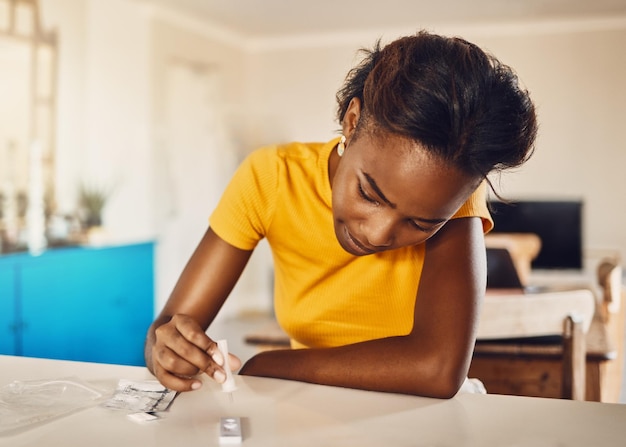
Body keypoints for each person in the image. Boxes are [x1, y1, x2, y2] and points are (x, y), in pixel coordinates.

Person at [145, 30, 537, 398]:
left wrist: (267, 364)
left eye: (422, 223)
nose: (380, 234)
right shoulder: (272, 177)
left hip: (418, 413)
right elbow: (167, 330)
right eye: (369, 193)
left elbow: (436, 369)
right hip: (307, 404)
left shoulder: (455, 195)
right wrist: (169, 349)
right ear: (352, 122)